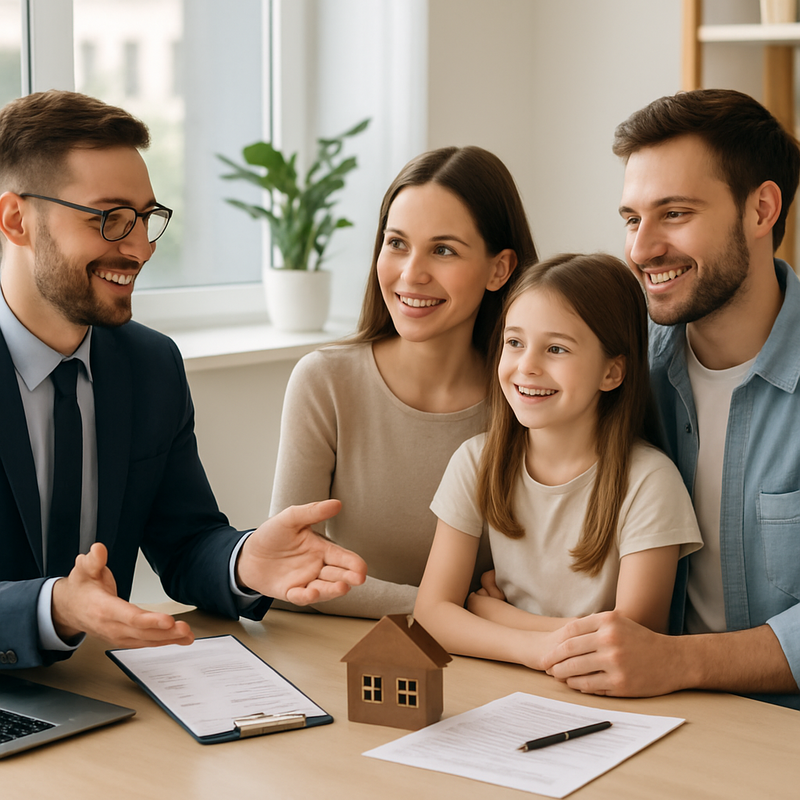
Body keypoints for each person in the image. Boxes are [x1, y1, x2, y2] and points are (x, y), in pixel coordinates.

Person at [0, 90, 367, 670]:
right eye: (110, 218)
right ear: (17, 220)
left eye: (147, 218)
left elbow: (186, 540)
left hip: (102, 692)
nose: (140, 247)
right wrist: (55, 607)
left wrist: (246, 561)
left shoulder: (150, 365)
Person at [542, 89, 800, 710]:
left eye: (675, 214)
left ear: (761, 209)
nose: (640, 249)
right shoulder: (616, 365)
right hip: (640, 716)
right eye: (633, 219)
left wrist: (677, 661)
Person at [269, 146, 536, 618]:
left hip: (494, 662)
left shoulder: (532, 397)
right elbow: (287, 572)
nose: (411, 274)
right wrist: (457, 612)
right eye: (396, 243)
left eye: (444, 249)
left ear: (499, 269)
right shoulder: (325, 382)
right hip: (344, 655)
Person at [413, 253, 702, 669]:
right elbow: (433, 615)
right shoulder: (475, 462)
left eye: (556, 348)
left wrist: (497, 616)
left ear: (612, 373)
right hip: (508, 689)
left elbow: (633, 640)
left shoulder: (650, 482)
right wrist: (535, 650)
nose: (527, 366)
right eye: (514, 342)